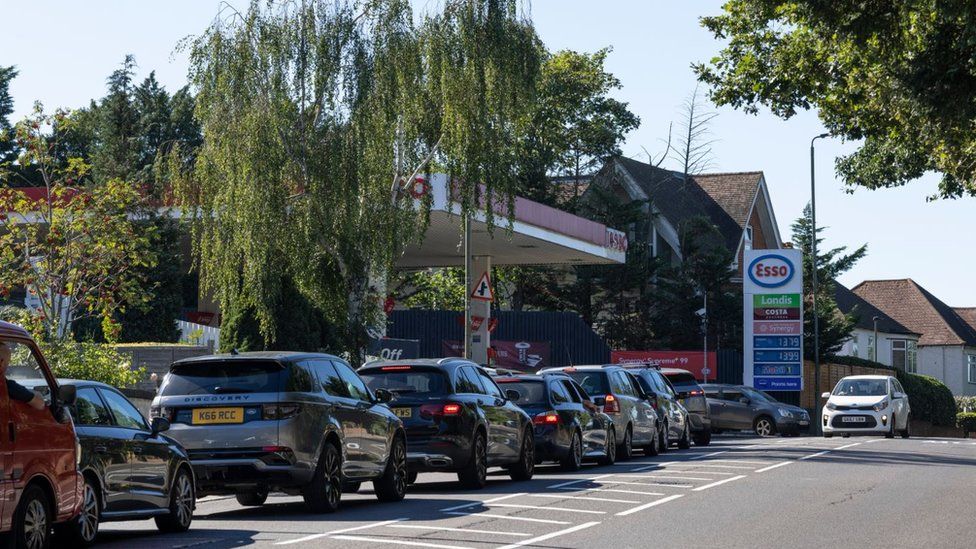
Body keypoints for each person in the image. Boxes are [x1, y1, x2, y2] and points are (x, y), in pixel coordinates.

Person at [0, 342, 46, 410]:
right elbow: (40, 404)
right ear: (2, 362)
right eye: (8, 361)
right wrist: (36, 393)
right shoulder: (8, 387)